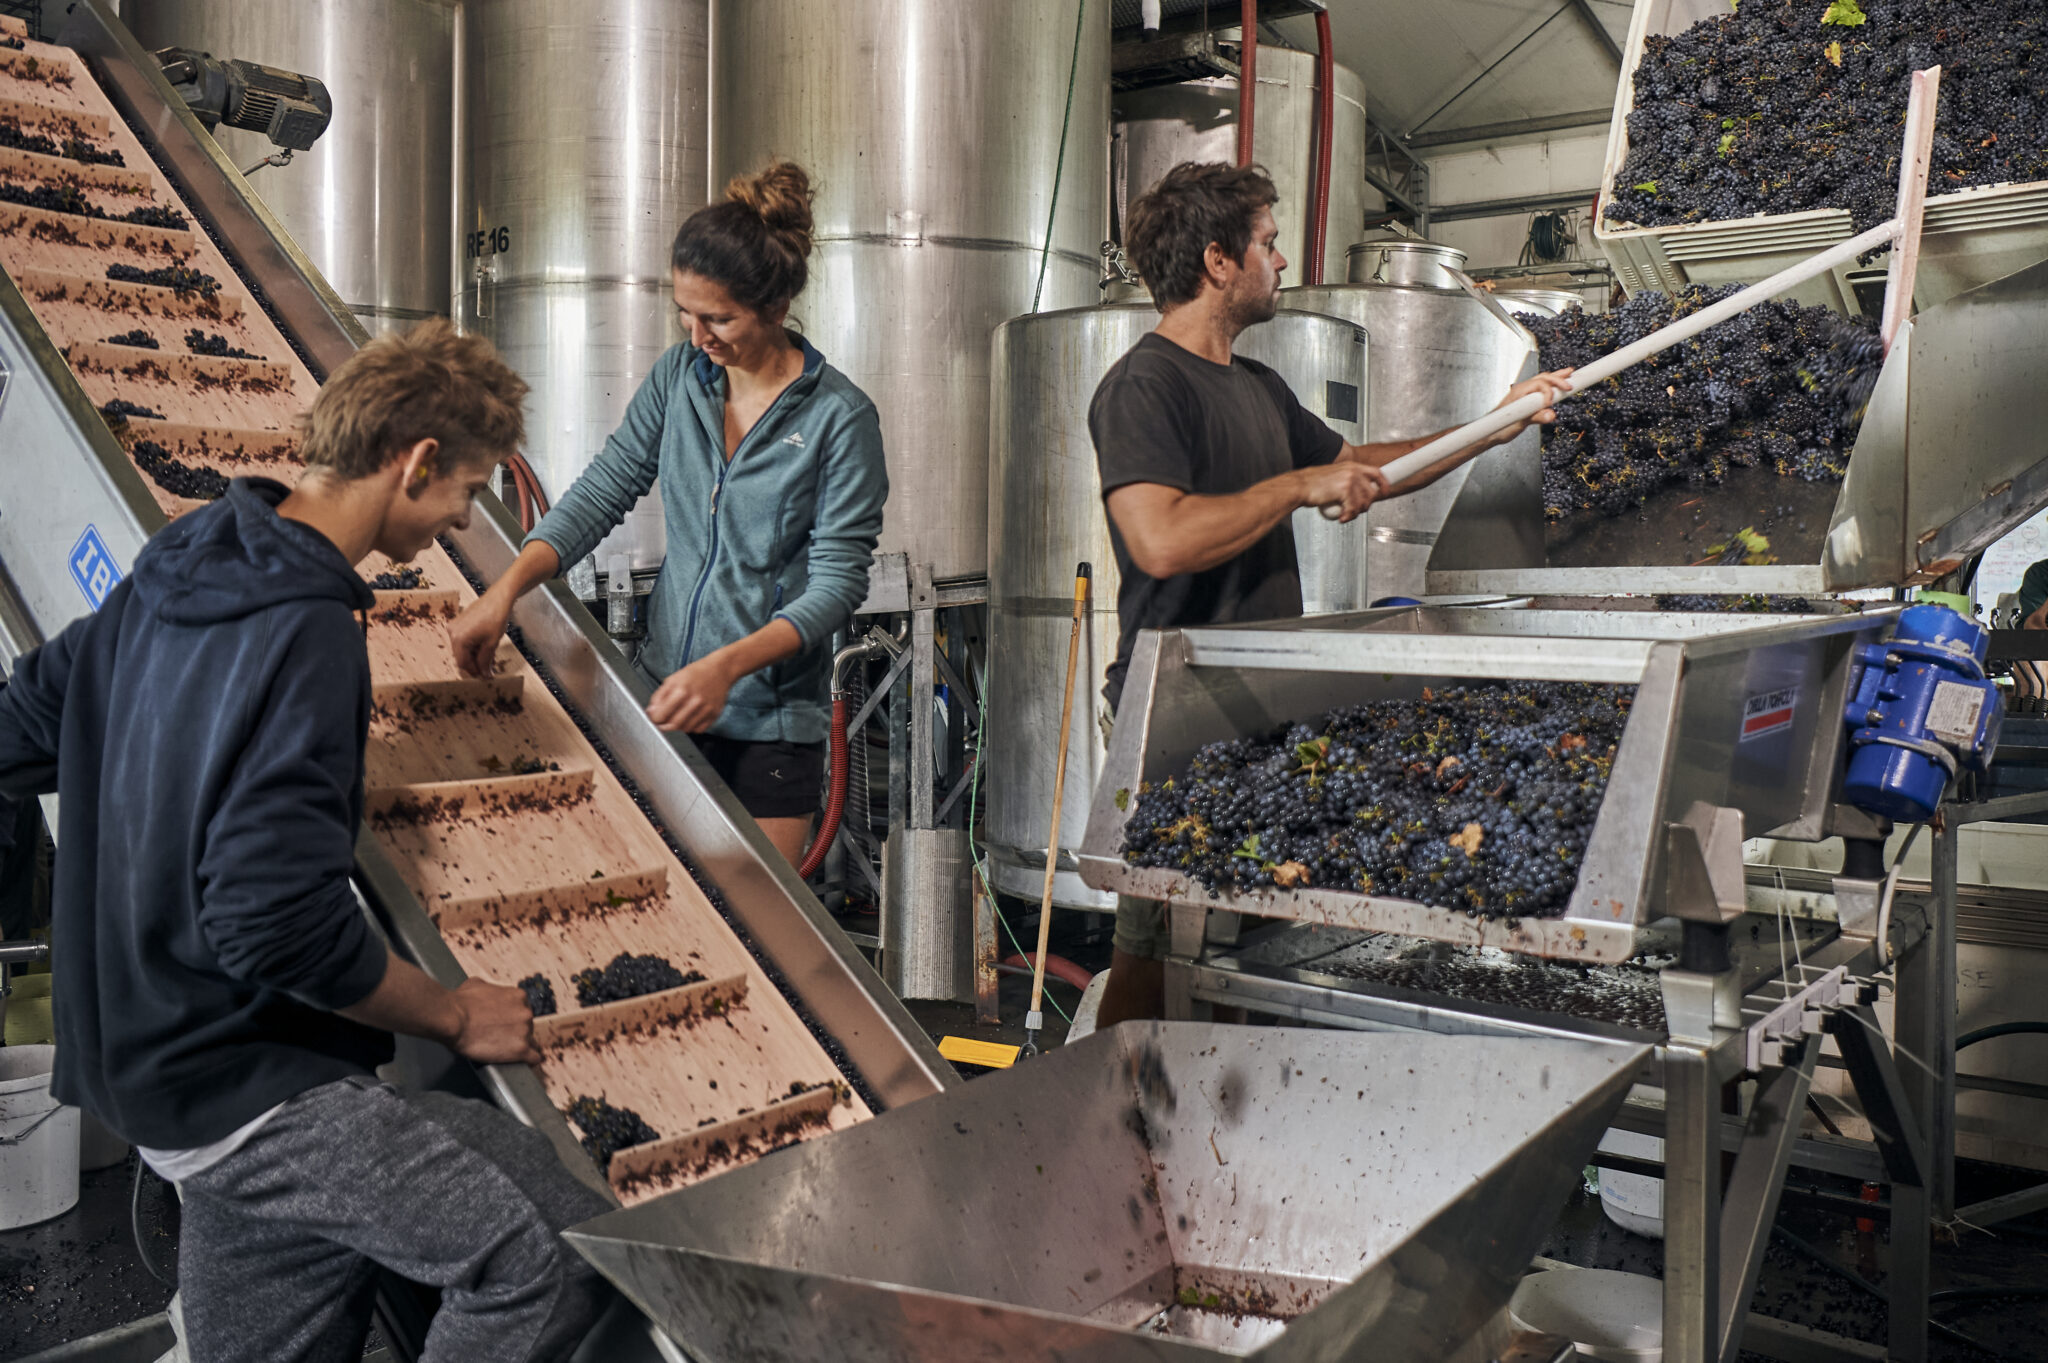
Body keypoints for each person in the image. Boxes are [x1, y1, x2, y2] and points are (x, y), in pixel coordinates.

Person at [0, 322, 609, 1361]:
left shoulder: (183, 556)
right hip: (245, 1085)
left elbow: (25, 725)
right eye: (467, 491)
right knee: (540, 1255)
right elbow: (273, 922)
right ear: (415, 463)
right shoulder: (308, 629)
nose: (467, 517)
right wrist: (455, 1011)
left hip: (142, 1065)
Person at [1089, 162, 1575, 1027]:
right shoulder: (1144, 386)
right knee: (1156, 950)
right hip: (1173, 709)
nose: (1281, 261)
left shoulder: (1258, 388)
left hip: (1259, 703)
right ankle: (1107, 1113)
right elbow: (1159, 539)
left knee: (1237, 952)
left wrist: (1493, 421)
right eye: (1269, 244)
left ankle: (1211, 1121)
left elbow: (1362, 470)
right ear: (1216, 260)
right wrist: (1294, 488)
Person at [449, 161, 888, 866]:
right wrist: (506, 586)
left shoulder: (840, 419)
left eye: (717, 318)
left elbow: (836, 586)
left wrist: (725, 668)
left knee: (756, 938)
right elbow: (603, 489)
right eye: (684, 313)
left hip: (770, 724)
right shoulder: (680, 378)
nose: (697, 336)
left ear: (775, 309)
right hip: (660, 696)